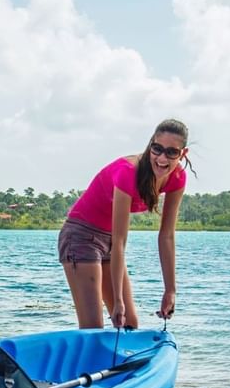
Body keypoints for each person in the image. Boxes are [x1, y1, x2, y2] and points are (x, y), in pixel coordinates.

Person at [58, 118, 195, 330]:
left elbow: (166, 236)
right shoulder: (127, 172)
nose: (161, 158)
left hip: (109, 240)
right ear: (150, 145)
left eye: (171, 152)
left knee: (129, 325)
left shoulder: (177, 177)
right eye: (157, 149)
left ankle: (118, 364)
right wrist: (118, 302)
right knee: (93, 328)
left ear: (182, 154)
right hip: (81, 236)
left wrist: (170, 290)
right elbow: (121, 241)